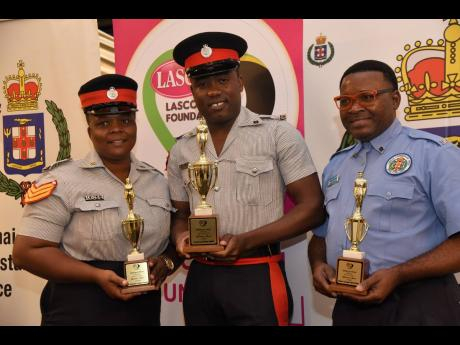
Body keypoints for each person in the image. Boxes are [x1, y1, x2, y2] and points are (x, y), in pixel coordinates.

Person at [168, 31, 325, 325]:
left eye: (223, 80)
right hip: (201, 277)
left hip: (258, 273)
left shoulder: (278, 134)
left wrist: (246, 240)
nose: (213, 91)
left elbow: (313, 208)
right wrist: (181, 238)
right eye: (202, 84)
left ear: (240, 82)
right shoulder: (181, 149)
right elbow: (180, 215)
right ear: (192, 92)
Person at [12, 74, 181, 326]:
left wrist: (166, 262)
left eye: (125, 120)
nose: (116, 129)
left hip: (142, 312)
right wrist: (96, 276)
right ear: (89, 130)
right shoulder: (62, 180)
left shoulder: (157, 181)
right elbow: (26, 252)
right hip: (79, 308)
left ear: (135, 124)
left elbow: (174, 239)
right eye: (103, 123)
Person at [308, 60, 460, 325]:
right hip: (350, 307)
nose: (354, 108)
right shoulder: (336, 165)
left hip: (420, 305)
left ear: (395, 99)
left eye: (367, 97)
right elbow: (320, 236)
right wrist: (318, 264)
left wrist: (399, 274)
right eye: (345, 101)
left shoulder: (434, 154)